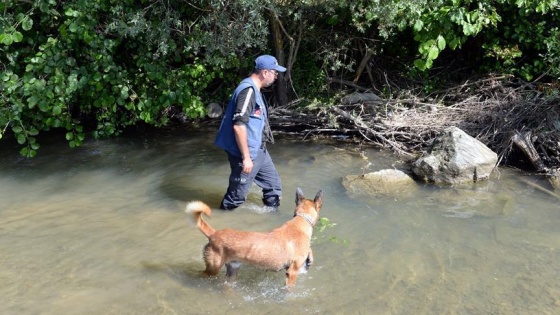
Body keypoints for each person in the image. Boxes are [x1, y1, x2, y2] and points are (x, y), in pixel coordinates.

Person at [214, 55, 286, 211]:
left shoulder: (256, 89)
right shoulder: (248, 91)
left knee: (273, 187)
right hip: (245, 154)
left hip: (259, 150)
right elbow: (238, 125)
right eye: (275, 73)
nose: (276, 76)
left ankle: (272, 224)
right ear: (265, 73)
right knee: (235, 198)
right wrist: (246, 158)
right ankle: (220, 225)